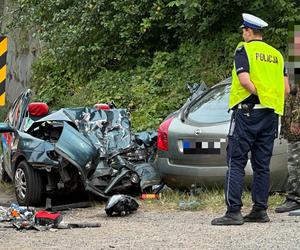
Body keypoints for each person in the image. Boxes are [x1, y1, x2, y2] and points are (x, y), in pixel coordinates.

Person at [211, 13, 290, 226]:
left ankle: (233, 212)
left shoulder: (243, 49)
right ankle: (260, 210)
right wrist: (268, 99)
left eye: (243, 31)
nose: (242, 34)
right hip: (270, 115)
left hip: (247, 113)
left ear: (247, 31)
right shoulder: (277, 55)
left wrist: (258, 95)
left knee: (236, 161)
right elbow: (286, 89)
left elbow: (244, 81)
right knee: (262, 164)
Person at [275, 84, 300, 213]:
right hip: (290, 125)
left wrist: (296, 120)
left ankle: (294, 199)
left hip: (296, 129)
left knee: (295, 164)